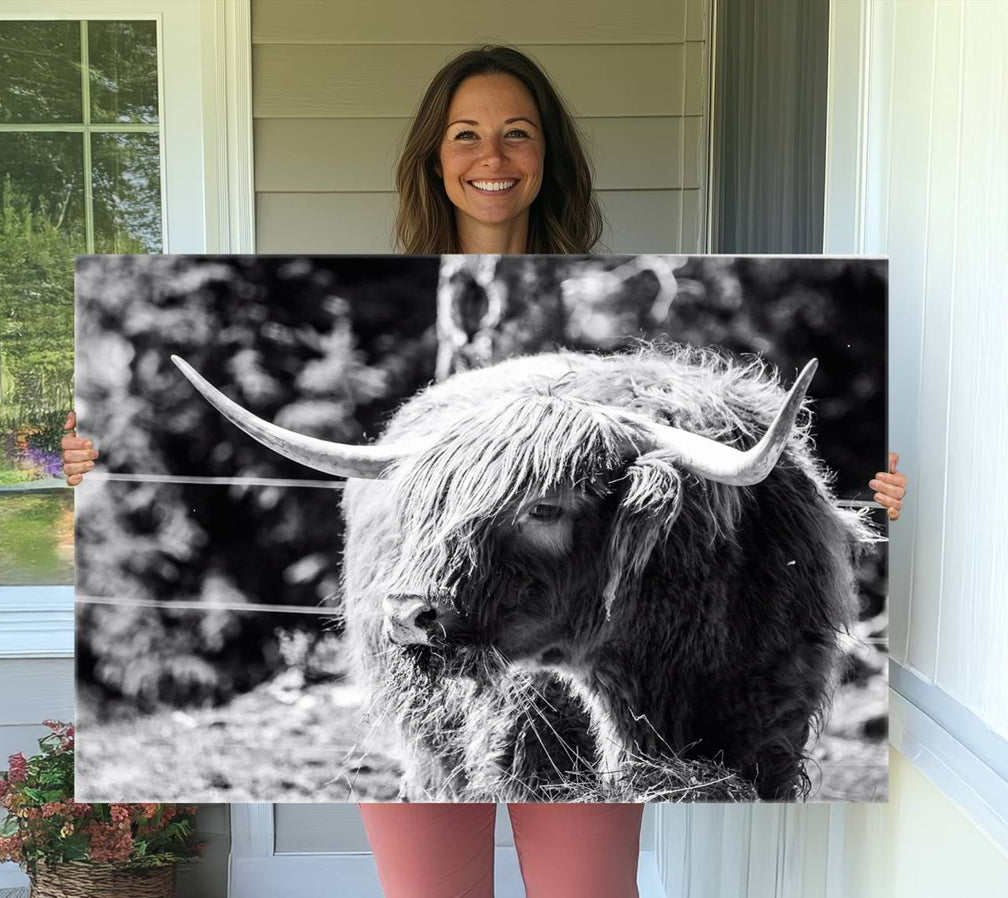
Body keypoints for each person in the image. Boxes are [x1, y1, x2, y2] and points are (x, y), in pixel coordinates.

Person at [63, 45, 907, 898]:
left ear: (642, 518)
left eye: (518, 135)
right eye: (463, 135)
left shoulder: (767, 544)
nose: (491, 159)